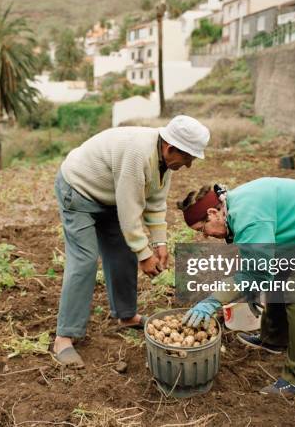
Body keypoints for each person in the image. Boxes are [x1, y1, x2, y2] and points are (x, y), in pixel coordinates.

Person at [178, 177, 295, 396]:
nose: (206, 236)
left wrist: (213, 301)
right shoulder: (234, 207)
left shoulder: (248, 217)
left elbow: (255, 272)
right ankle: (275, 339)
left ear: (212, 213)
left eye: (203, 229)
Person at [52, 115, 210, 368]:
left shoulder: (164, 162)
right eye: (188, 158)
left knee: (124, 253)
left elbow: (155, 203)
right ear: (171, 148)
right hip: (79, 191)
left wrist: (159, 244)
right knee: (84, 262)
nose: (189, 165)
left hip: (110, 197)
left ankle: (126, 316)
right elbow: (130, 210)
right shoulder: (138, 154)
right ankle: (64, 337)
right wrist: (144, 255)